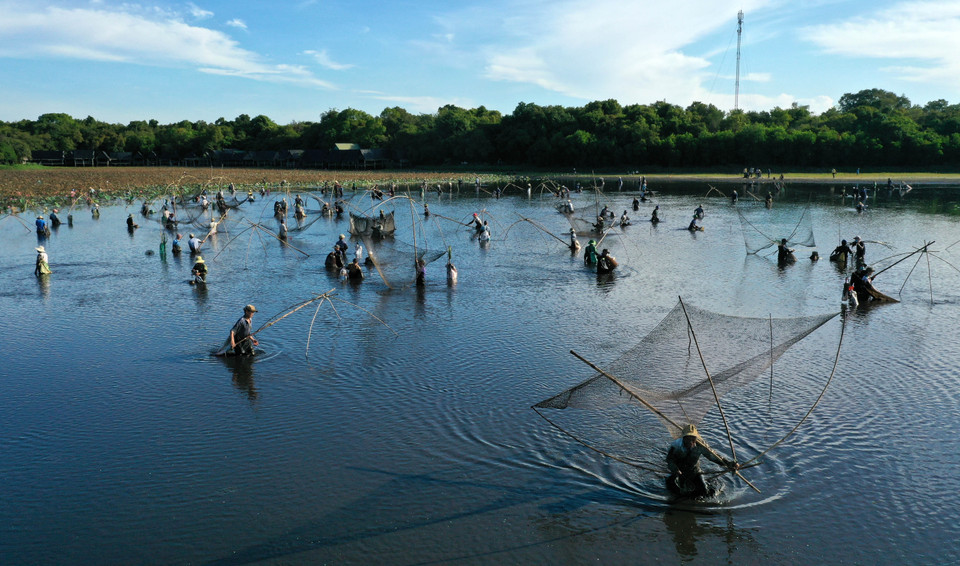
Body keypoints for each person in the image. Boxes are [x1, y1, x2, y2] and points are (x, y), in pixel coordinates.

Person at [665, 424, 737, 498]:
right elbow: (669, 460)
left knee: (704, 491)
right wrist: (675, 469)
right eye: (688, 438)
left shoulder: (701, 445)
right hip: (679, 472)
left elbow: (713, 456)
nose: (690, 441)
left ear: (696, 438)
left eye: (693, 438)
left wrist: (728, 463)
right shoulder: (676, 446)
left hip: (695, 471)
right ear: (683, 438)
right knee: (675, 491)